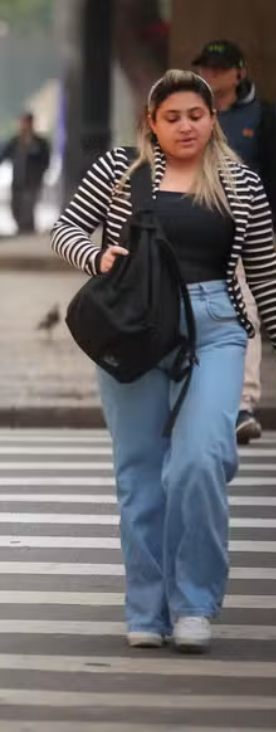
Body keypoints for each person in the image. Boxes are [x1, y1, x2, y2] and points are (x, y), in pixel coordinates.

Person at [51, 70, 276, 654]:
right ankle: (148, 608)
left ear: (212, 118)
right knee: (141, 476)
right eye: (171, 117)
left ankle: (195, 601)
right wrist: (96, 256)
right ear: (151, 121)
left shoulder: (240, 182)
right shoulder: (119, 170)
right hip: (134, 329)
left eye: (195, 116)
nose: (185, 126)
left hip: (216, 328)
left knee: (200, 461)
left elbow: (267, 277)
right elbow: (65, 228)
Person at [193, 40, 276, 444]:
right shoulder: (194, 116)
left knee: (247, 311)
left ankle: (242, 404)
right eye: (205, 67)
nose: (211, 73)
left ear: (238, 72)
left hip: (245, 229)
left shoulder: (260, 118)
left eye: (219, 67)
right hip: (193, 226)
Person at [0, 112, 51, 234]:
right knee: (15, 207)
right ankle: (22, 228)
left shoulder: (40, 143)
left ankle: (27, 230)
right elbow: (4, 154)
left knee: (28, 207)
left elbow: (45, 160)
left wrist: (40, 172)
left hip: (32, 181)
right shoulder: (16, 141)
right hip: (17, 179)